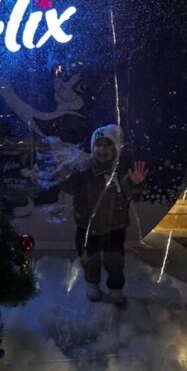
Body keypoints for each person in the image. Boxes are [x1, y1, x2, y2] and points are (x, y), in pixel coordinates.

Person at [58, 124, 148, 307]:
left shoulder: (122, 169)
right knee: (89, 259)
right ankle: (92, 284)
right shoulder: (83, 169)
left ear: (116, 148)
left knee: (114, 260)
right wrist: (64, 177)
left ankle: (116, 288)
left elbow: (128, 187)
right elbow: (70, 188)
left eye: (108, 145)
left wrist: (135, 182)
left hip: (115, 226)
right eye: (98, 145)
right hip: (87, 226)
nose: (102, 149)